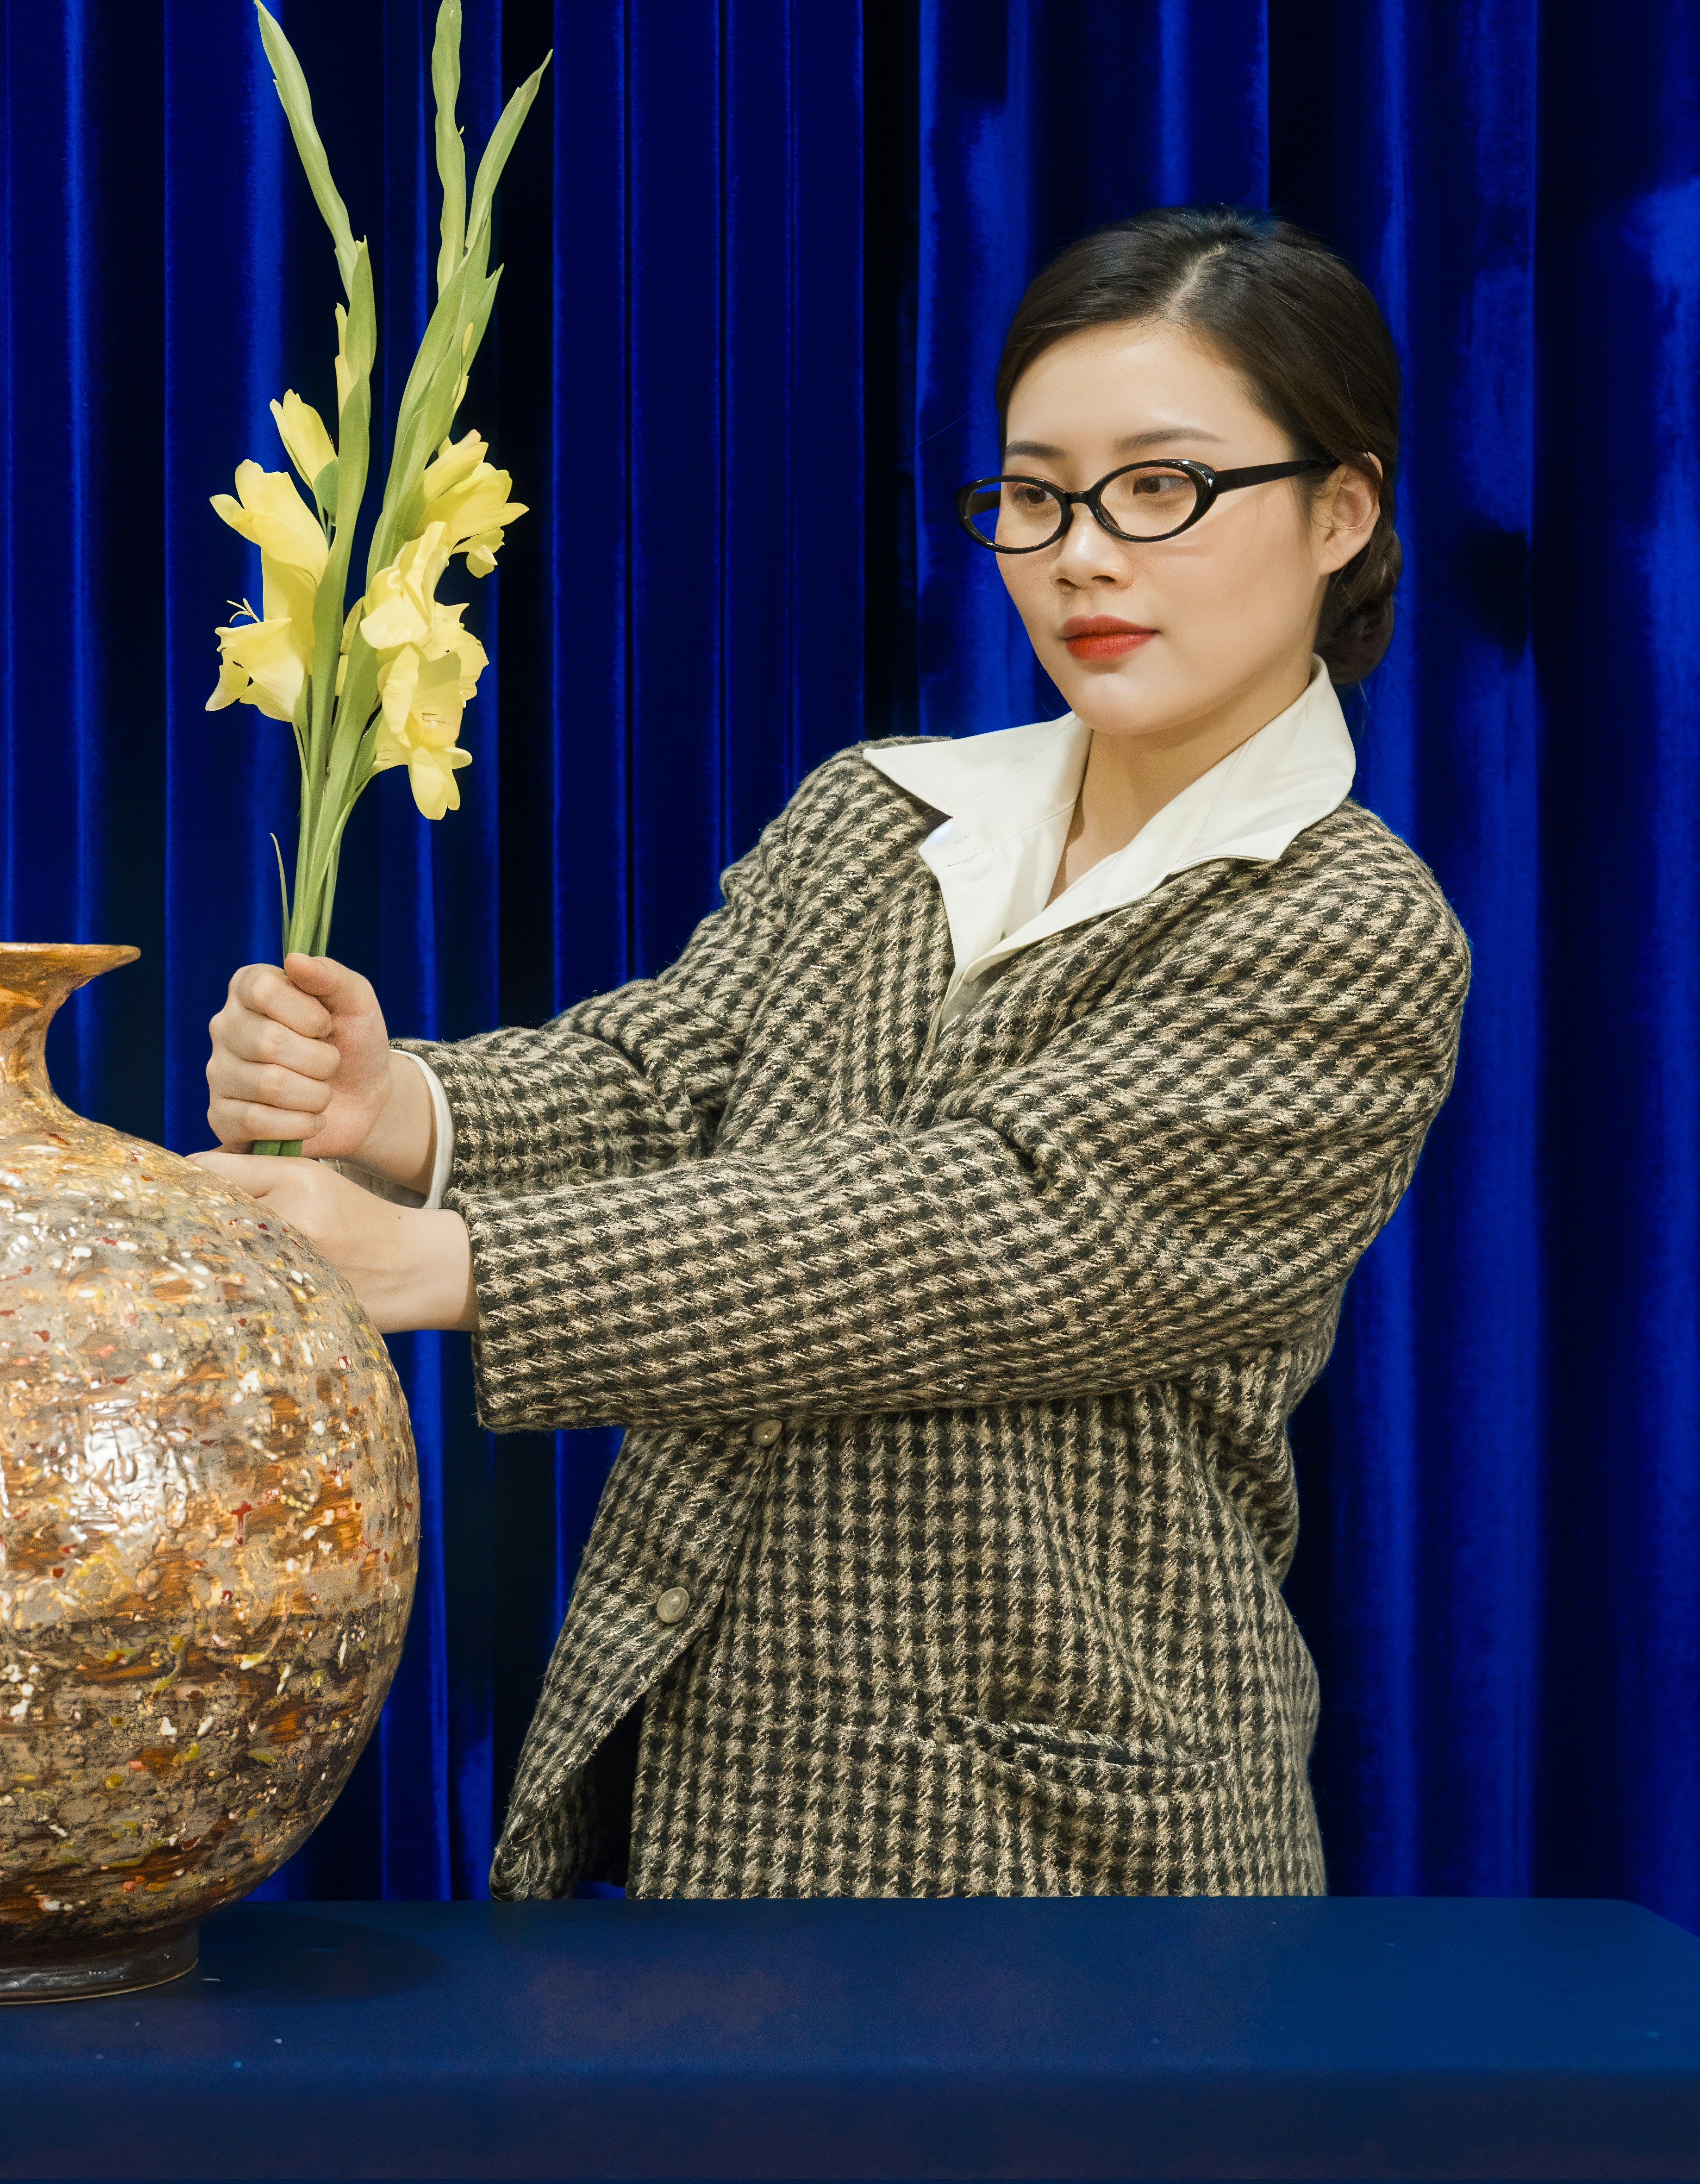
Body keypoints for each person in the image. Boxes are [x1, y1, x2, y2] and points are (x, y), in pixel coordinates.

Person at [189, 204, 1468, 1899]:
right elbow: (666, 1081)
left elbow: (979, 1233)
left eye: (1159, 487)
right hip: (687, 1750)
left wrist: (450, 1259)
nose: (1082, 554)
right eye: (1034, 493)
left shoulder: (1348, 924)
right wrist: (400, 1104)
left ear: (1340, 511)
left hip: (1059, 1829)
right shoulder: (884, 808)